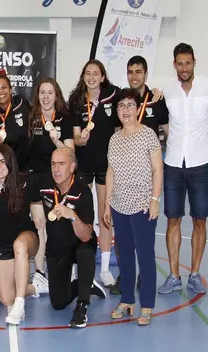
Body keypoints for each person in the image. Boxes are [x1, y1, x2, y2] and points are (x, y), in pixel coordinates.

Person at [159, 43, 208, 295]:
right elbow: (162, 120)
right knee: (172, 219)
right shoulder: (166, 89)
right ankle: (174, 276)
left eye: (188, 63)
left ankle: (194, 273)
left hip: (200, 163)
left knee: (199, 220)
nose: (184, 68)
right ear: (174, 64)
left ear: (194, 62)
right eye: (180, 63)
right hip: (173, 163)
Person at [110, 55, 169, 294]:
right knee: (124, 240)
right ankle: (125, 276)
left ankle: (145, 283)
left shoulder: (156, 100)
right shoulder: (121, 99)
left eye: (139, 71)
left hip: (146, 183)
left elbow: (168, 131)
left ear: (145, 73)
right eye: (130, 71)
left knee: (144, 243)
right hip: (124, 183)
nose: (134, 76)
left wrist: (158, 186)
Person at [103, 88, 163, 326]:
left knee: (146, 256)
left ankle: (146, 304)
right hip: (119, 205)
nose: (125, 110)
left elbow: (158, 169)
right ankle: (127, 299)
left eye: (130, 105)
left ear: (138, 108)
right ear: (116, 111)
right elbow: (111, 171)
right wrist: (108, 204)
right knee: (125, 255)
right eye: (121, 106)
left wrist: (154, 200)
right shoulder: (114, 139)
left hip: (142, 205)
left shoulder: (148, 135)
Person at [30, 147, 105, 328]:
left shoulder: (82, 191)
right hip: (57, 248)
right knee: (58, 303)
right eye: (53, 164)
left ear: (72, 167)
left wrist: (71, 215)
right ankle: (84, 284)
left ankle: (82, 305)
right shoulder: (43, 183)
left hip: (80, 242)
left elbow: (87, 235)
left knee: (85, 250)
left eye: (61, 164)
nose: (56, 169)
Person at [67, 59, 120, 287]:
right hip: (84, 165)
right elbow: (76, 136)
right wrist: (80, 139)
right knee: (80, 215)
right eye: (87, 73)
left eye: (95, 73)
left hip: (107, 166)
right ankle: (75, 270)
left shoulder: (113, 95)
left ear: (102, 76)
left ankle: (106, 269)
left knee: (105, 215)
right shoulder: (76, 100)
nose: (91, 77)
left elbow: (120, 129)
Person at [0, 144, 43, 325]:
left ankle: (20, 305)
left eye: (2, 162)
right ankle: (33, 288)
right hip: (3, 245)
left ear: (11, 162)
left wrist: (40, 264)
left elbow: (39, 221)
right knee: (6, 298)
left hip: (27, 238)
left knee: (19, 245)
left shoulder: (26, 183)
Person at [26, 77, 74, 293]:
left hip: (59, 177)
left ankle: (69, 267)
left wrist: (56, 140)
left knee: (61, 222)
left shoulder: (64, 117)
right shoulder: (31, 118)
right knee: (39, 224)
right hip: (36, 178)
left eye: (50, 93)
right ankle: (39, 273)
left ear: (56, 96)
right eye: (42, 93)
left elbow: (71, 153)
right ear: (38, 96)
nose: (46, 97)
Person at [0, 70, 30, 172]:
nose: (1, 92)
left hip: (26, 166)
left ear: (11, 90)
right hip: (3, 169)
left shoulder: (21, 102)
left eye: (4, 87)